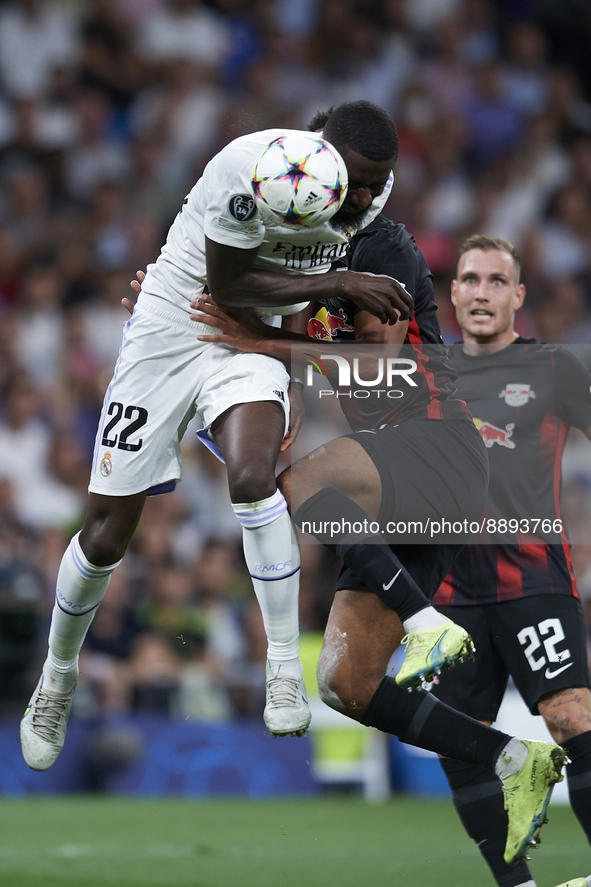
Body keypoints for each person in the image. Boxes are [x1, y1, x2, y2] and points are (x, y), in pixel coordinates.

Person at [188, 154, 569, 864]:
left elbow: (380, 364)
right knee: (345, 683)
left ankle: (426, 623)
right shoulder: (309, 256)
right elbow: (255, 310)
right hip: (403, 474)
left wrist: (261, 341)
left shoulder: (382, 247)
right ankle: (513, 758)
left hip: (437, 442)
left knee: (289, 491)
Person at [20, 100, 418, 772]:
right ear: (319, 151)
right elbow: (228, 284)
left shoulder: (365, 204)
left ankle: (282, 664)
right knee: (107, 533)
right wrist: (339, 279)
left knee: (253, 472)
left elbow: (311, 317)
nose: (367, 196)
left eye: (380, 182)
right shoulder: (248, 167)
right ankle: (57, 676)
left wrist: (301, 348)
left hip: (250, 339)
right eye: (358, 180)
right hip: (175, 327)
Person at [427, 235, 591, 887]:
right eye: (469, 278)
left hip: (533, 580)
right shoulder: (427, 373)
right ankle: (514, 883)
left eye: (497, 280)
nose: (481, 291)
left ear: (517, 296)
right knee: (457, 740)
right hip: (447, 592)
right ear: (454, 293)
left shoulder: (552, 366)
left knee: (570, 716)